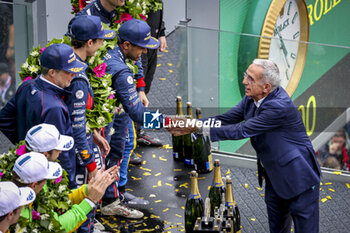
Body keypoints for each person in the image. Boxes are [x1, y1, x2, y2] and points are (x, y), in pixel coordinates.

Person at [167, 59, 321, 233]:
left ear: (266, 87)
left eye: (251, 79)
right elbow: (225, 119)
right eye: (245, 75)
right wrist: (193, 124)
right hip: (274, 177)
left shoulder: (279, 107)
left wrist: (195, 127)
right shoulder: (252, 99)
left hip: (300, 179)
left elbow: (241, 130)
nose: (244, 81)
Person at [0, 43, 87, 189]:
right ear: (52, 72)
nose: (74, 74)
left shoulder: (27, 86)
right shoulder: (54, 108)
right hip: (48, 180)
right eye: (69, 71)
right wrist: (69, 185)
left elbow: (4, 121)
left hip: (30, 171)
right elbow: (61, 155)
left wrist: (24, 147)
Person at [101, 19, 162, 218]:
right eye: (141, 48)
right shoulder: (119, 69)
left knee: (121, 147)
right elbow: (137, 112)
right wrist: (169, 122)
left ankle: (115, 196)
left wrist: (141, 88)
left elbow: (136, 64)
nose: (144, 52)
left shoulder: (120, 51)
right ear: (126, 45)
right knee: (110, 152)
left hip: (114, 111)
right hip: (106, 119)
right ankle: (107, 203)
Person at [67, 15, 115, 232]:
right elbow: (77, 129)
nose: (103, 44)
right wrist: (92, 167)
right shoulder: (77, 76)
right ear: (89, 43)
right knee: (84, 194)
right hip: (76, 155)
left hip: (79, 145)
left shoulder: (73, 64)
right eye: (100, 40)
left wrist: (93, 133)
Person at [24, 123, 118, 233]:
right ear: (45, 155)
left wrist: (87, 190)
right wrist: (90, 201)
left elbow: (56, 201)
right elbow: (56, 227)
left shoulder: (31, 168)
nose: (61, 151)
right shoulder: (32, 182)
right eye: (57, 149)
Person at [136, 0, 167, 147]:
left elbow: (157, 4)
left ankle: (138, 131)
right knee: (137, 88)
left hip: (152, 39)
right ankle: (129, 140)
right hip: (138, 42)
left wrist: (161, 31)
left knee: (146, 86)